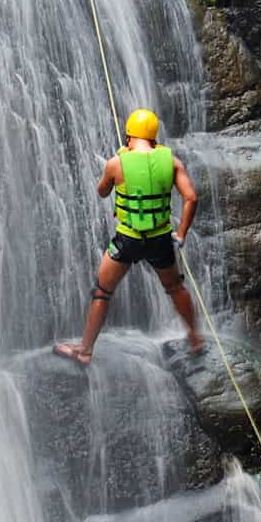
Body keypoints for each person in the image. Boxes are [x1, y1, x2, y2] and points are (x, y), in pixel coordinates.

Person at [54, 107, 204, 365]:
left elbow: (102, 192)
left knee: (102, 292)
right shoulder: (172, 162)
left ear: (129, 136)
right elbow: (191, 197)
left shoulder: (116, 164)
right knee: (175, 287)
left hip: (128, 239)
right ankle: (195, 337)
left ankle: (85, 351)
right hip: (160, 239)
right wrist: (180, 235)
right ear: (154, 137)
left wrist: (113, 169)